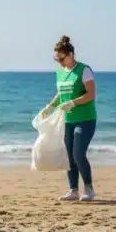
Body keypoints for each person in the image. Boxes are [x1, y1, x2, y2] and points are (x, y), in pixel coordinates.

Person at [40, 36, 98, 202]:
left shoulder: (84, 70)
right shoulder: (60, 72)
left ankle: (89, 188)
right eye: (56, 59)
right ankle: (73, 190)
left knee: (78, 153)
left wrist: (72, 103)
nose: (59, 62)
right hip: (67, 120)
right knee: (68, 155)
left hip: (86, 119)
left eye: (61, 58)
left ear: (70, 54)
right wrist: (50, 107)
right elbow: (61, 93)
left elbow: (91, 94)